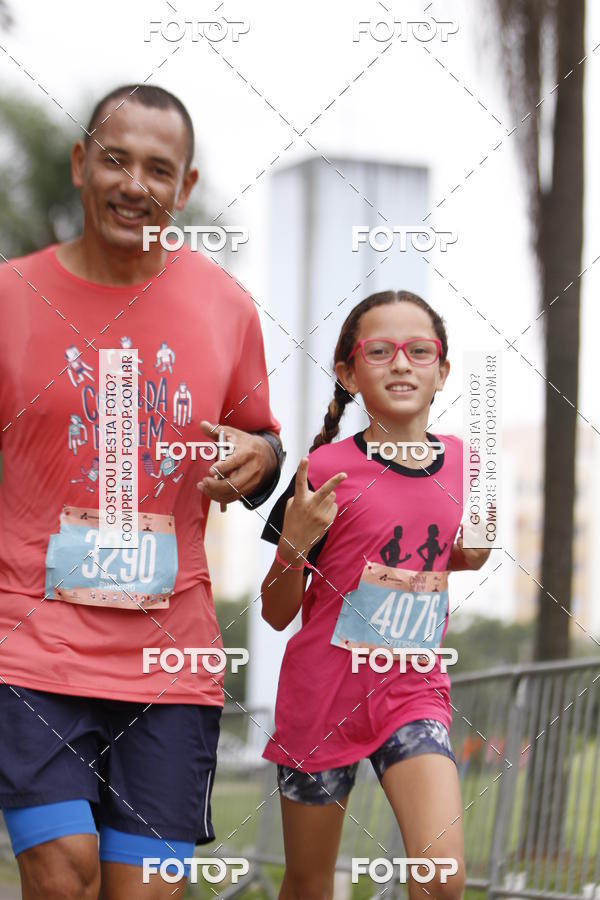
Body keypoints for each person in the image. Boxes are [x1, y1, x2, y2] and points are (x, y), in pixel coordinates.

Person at [0, 84, 285, 899]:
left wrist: (259, 459)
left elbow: (262, 440)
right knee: (63, 875)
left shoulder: (225, 307)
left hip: (170, 655)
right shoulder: (11, 296)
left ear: (184, 188)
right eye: (116, 159)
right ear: (81, 164)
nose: (135, 184)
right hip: (34, 640)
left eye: (158, 169)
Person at [260, 290, 492, 900]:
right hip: (321, 700)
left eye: (420, 352)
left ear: (442, 372)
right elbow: (276, 610)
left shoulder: (470, 464)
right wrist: (295, 544)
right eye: (380, 350)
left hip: (410, 693)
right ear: (348, 371)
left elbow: (458, 556)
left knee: (442, 876)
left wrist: (477, 546)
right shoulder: (320, 470)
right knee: (310, 884)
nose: (401, 364)